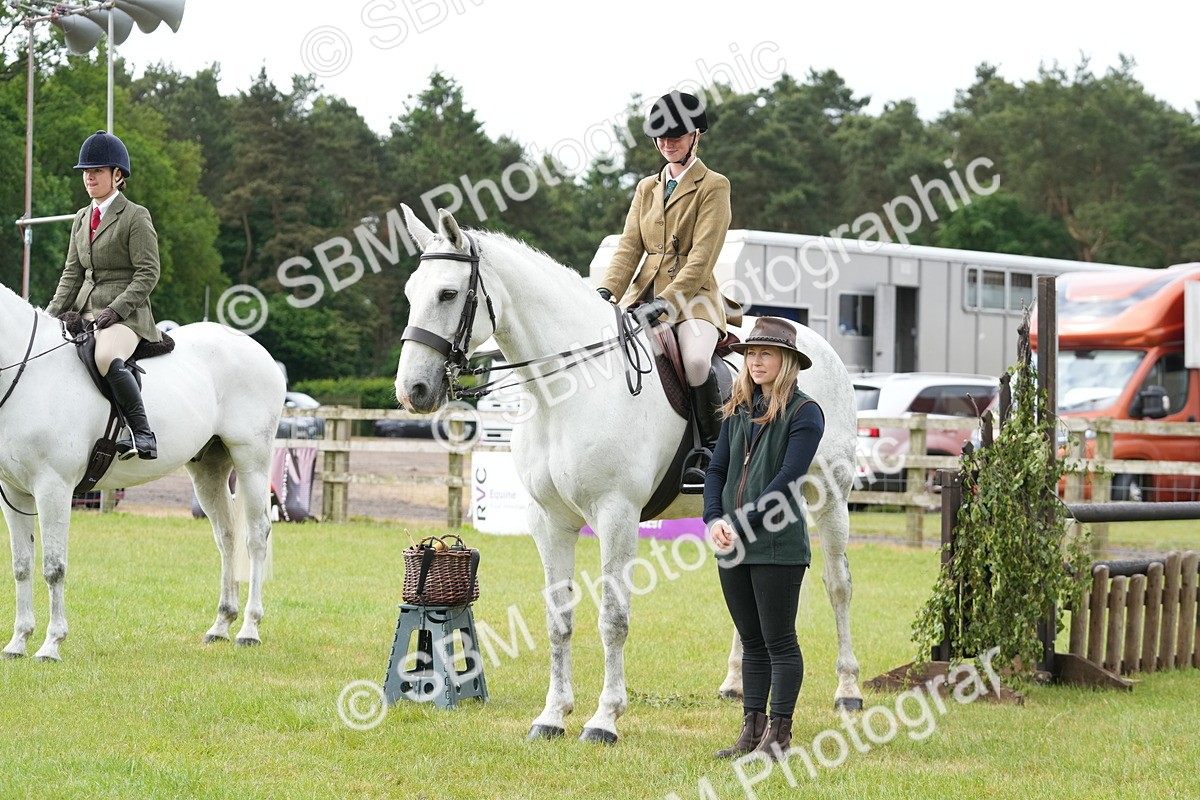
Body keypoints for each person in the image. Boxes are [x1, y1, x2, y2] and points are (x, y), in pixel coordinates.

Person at [596, 90, 731, 491]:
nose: (668, 144)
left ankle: (710, 452)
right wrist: (606, 291)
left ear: (696, 136)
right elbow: (628, 247)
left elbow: (701, 259)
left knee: (693, 363)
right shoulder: (646, 188)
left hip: (695, 300)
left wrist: (666, 303)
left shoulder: (714, 186)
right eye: (662, 137)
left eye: (677, 136)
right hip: (643, 297)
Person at [703, 316, 823, 761]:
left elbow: (789, 479)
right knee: (751, 640)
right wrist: (713, 518)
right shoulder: (738, 409)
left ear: (787, 360)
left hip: (777, 545)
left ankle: (779, 736)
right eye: (751, 354)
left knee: (779, 641)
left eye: (765, 353)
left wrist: (741, 522)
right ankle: (750, 733)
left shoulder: (805, 412)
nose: (755, 361)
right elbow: (716, 471)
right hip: (732, 542)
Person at [45, 130, 161, 460]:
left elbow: (148, 273)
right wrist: (48, 315)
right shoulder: (82, 218)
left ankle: (140, 432)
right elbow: (72, 273)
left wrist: (118, 308)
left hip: (126, 314)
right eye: (86, 171)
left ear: (117, 175)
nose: (89, 177)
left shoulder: (136, 216)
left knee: (105, 357)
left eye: (97, 170)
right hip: (84, 310)